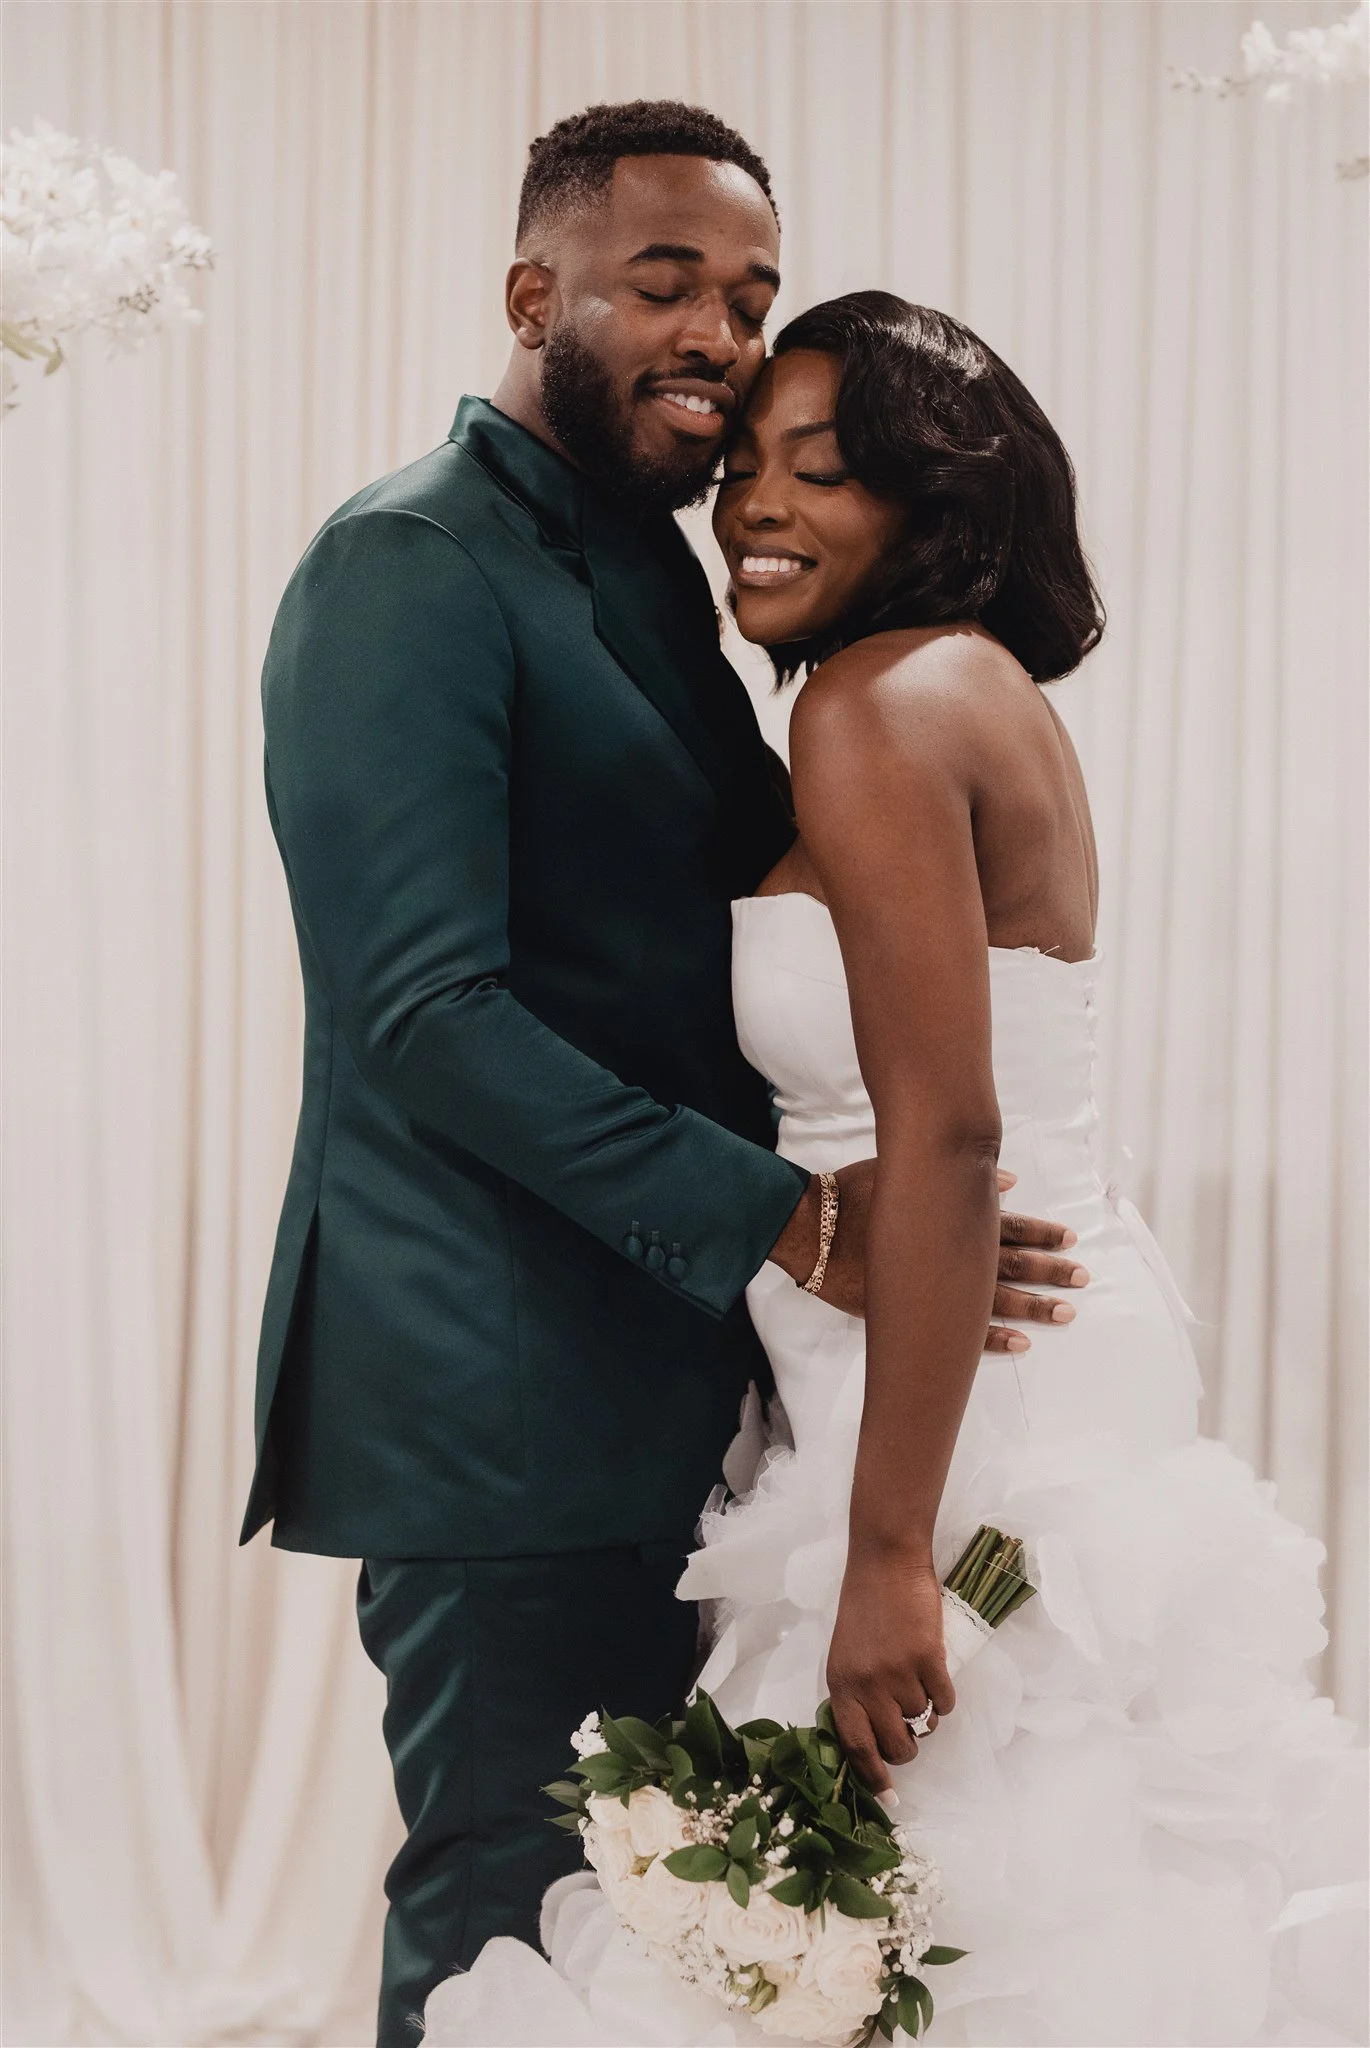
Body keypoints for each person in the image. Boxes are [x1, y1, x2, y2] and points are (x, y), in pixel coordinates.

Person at [426, 297, 1367, 2046]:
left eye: (824, 475)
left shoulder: (875, 707)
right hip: (1010, 1342)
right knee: (1028, 1877)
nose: (754, 510)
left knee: (941, 1877)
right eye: (747, 470)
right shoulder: (966, 690)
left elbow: (946, 1132)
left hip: (959, 1377)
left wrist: (882, 1557)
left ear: (933, 508)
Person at [241, 111, 1079, 2047]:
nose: (722, 328)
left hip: (677, 1386)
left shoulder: (655, 582)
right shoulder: (406, 565)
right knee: (507, 1930)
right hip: (504, 1402)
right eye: (668, 280)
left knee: (667, 1950)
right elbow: (420, 1015)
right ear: (534, 294)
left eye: (753, 294)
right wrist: (792, 1216)